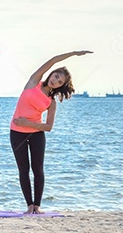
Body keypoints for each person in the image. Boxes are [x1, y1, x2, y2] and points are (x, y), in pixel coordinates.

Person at [10, 50, 92, 214]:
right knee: (23, 170)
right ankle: (29, 206)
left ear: (62, 85)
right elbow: (53, 60)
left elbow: (48, 127)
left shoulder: (51, 102)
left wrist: (28, 123)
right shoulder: (33, 82)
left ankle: (37, 206)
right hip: (16, 132)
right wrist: (74, 53)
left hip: (37, 135)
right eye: (55, 76)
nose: (55, 81)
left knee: (38, 169)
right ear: (51, 74)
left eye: (60, 81)